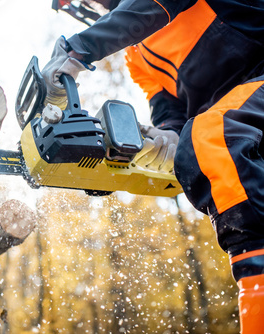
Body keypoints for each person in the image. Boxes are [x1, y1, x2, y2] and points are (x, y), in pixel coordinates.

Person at [41, 0, 264, 332]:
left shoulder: (147, 11)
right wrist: (166, 137)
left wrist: (81, 48)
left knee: (211, 139)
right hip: (245, 122)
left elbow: (153, 5)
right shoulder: (137, 57)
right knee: (202, 143)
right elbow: (169, 110)